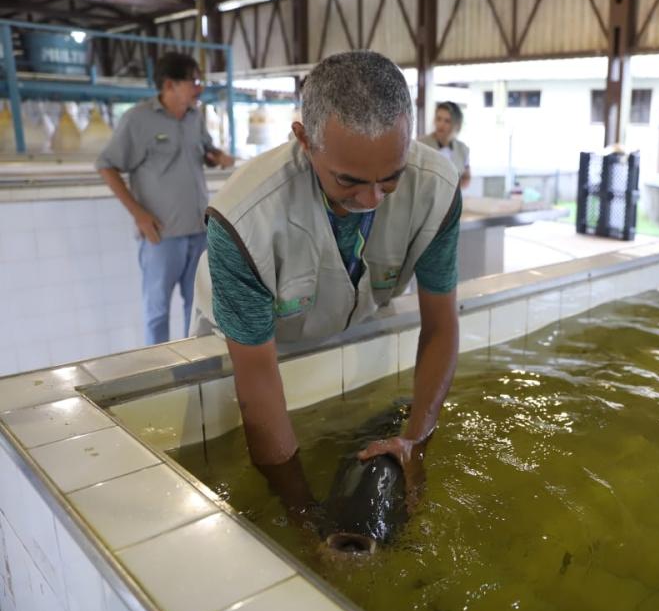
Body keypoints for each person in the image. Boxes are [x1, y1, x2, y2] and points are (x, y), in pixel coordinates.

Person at [189, 51, 462, 498]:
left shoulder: (437, 189)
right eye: (349, 181)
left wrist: (415, 441)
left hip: (345, 324)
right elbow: (256, 381)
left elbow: (441, 326)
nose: (372, 200)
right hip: (245, 350)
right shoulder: (243, 219)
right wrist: (302, 514)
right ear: (304, 139)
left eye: (391, 179)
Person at [97, 52, 234, 345]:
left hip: (199, 232)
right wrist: (139, 215)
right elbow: (106, 165)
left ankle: (194, 364)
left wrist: (217, 157)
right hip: (162, 235)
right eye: (193, 81)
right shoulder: (138, 119)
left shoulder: (195, 117)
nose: (199, 88)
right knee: (157, 311)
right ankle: (159, 366)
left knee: (198, 308)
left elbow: (205, 151)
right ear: (170, 84)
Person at [418, 101, 471, 189]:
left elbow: (466, 178)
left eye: (447, 121)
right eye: (438, 119)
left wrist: (454, 190)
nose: (441, 124)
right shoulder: (421, 144)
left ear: (457, 125)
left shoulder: (463, 149)